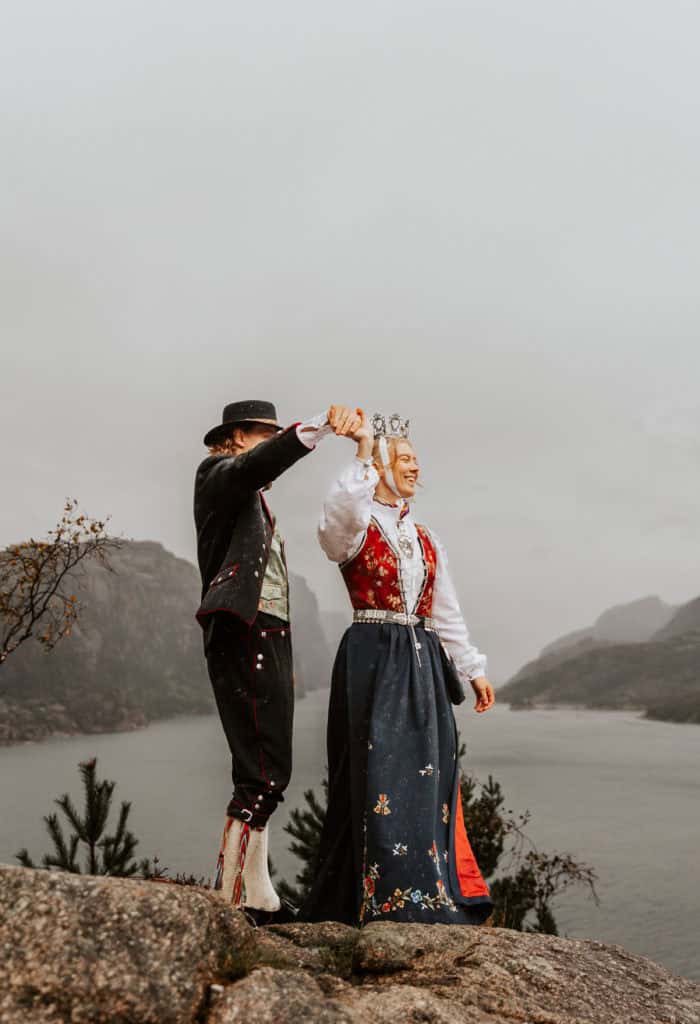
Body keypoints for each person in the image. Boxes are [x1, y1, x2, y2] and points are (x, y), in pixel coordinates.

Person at [300, 410, 495, 926]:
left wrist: (471, 667)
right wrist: (362, 450)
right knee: (378, 772)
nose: (414, 467)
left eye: (415, 459)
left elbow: (444, 608)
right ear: (382, 465)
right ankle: (378, 897)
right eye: (404, 458)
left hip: (424, 658)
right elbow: (337, 518)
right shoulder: (356, 526)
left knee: (428, 771)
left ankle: (428, 892)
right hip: (374, 654)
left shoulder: (427, 537)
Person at [194, 399, 360, 925]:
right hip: (244, 628)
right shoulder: (218, 473)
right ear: (236, 437)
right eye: (262, 433)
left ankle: (252, 891)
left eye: (274, 432)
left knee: (269, 769)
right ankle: (240, 896)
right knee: (262, 771)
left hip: (266, 630)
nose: (269, 440)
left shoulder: (249, 494)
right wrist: (313, 429)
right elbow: (255, 468)